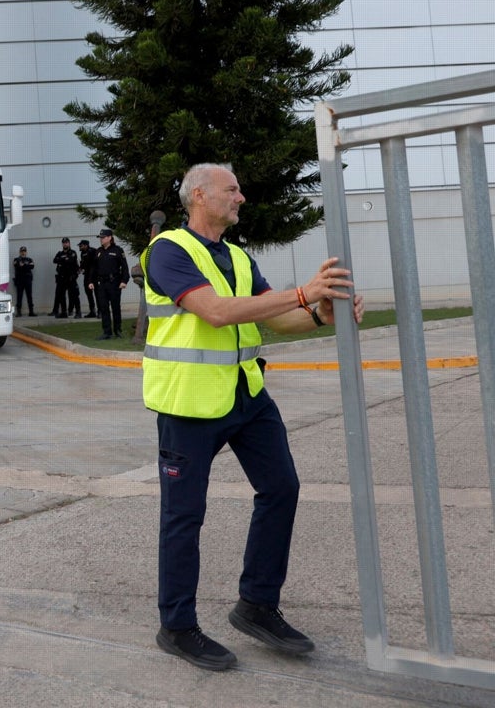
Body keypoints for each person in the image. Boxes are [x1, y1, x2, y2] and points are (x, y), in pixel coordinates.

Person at [142, 163, 364, 672]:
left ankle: (256, 606)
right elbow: (215, 311)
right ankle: (176, 626)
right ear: (199, 195)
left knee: (282, 488)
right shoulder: (169, 250)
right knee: (185, 516)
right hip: (189, 403)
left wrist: (318, 313)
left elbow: (274, 314)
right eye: (232, 189)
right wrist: (304, 292)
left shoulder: (238, 256)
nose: (242, 197)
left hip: (248, 397)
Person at [93, 228, 130, 339]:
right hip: (102, 284)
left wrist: (124, 281)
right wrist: (91, 281)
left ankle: (117, 330)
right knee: (103, 308)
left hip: (114, 283)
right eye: (100, 238)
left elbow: (124, 267)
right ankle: (106, 332)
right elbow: (94, 268)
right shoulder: (98, 251)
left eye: (103, 237)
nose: (101, 239)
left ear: (110, 238)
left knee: (115, 308)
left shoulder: (118, 250)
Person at [51, 237, 80, 318]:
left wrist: (62, 259)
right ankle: (64, 313)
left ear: (69, 243)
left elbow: (70, 260)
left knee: (74, 295)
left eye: (66, 242)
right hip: (62, 278)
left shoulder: (73, 252)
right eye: (64, 243)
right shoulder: (59, 253)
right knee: (61, 295)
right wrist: (64, 259)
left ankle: (78, 312)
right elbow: (54, 260)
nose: (65, 244)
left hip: (71, 277)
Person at [12, 246, 35, 317]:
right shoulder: (16, 259)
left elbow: (32, 266)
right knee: (19, 296)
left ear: (26, 252)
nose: (23, 253)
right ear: (20, 252)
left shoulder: (29, 259)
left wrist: (23, 265)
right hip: (20, 280)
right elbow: (17, 265)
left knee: (29, 296)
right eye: (22, 251)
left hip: (28, 280)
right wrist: (26, 265)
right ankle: (19, 312)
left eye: (24, 251)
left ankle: (31, 312)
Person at [78, 240, 99, 318]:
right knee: (89, 294)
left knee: (97, 294)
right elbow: (83, 264)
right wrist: (80, 268)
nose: (80, 247)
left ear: (86, 245)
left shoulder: (93, 251)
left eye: (81, 245)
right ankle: (92, 311)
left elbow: (95, 264)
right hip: (87, 276)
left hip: (95, 276)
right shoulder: (82, 253)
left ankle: (100, 311)